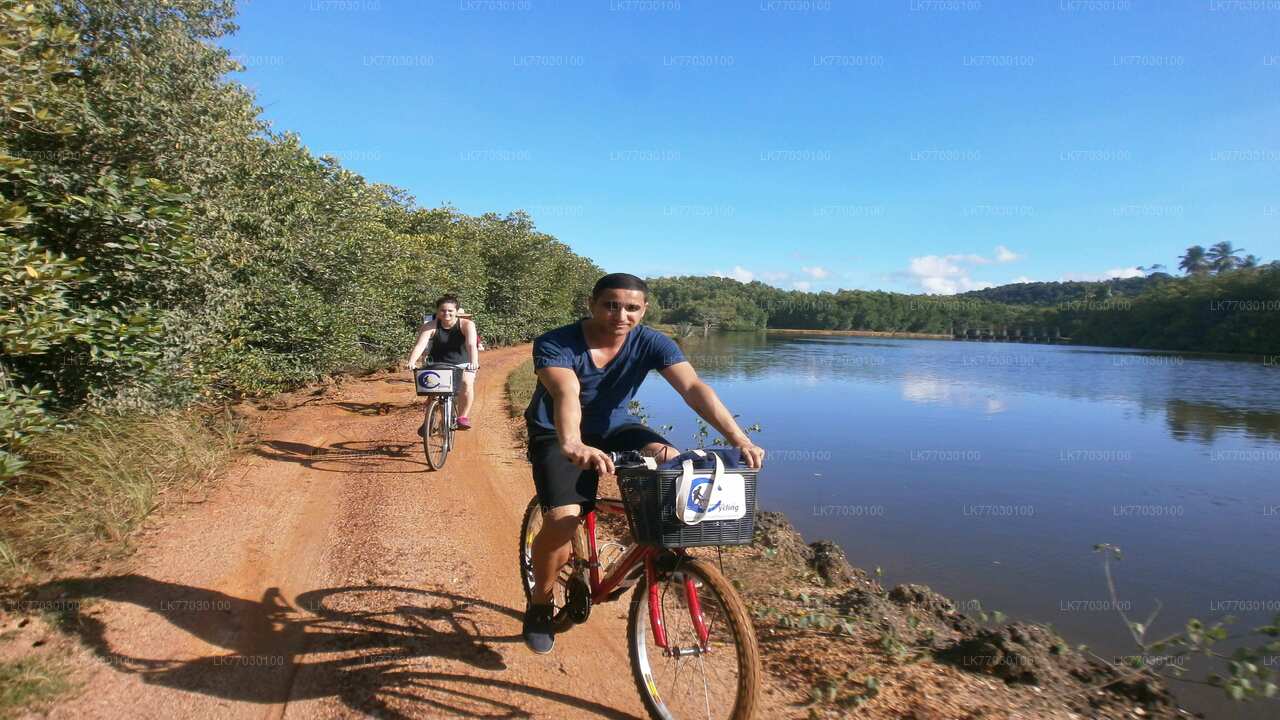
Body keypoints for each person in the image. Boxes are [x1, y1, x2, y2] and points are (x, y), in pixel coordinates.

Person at [521, 272, 765, 654]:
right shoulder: (556, 342)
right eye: (611, 305)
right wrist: (572, 442)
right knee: (563, 520)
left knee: (676, 466)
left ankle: (660, 554)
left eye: (632, 308)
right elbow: (565, 390)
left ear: (644, 309)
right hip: (558, 432)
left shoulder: (652, 342)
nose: (621, 315)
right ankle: (539, 603)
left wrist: (739, 438)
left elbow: (693, 388)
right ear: (592, 304)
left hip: (616, 426)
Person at [407, 294, 479, 430]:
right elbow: (420, 345)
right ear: (438, 311)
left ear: (456, 311)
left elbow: (471, 345)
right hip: (437, 363)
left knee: (466, 383)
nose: (446, 313)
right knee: (431, 390)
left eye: (450, 310)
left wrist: (473, 362)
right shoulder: (430, 326)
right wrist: (412, 361)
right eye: (443, 310)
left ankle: (462, 417)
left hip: (463, 363)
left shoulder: (467, 325)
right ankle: (430, 420)